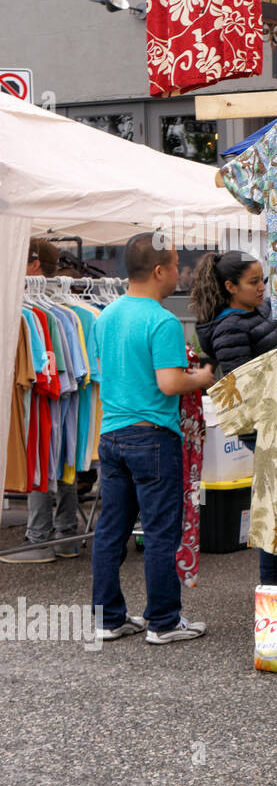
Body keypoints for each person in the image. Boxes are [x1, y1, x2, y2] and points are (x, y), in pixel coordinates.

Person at [91, 233, 214, 643]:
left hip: (111, 435)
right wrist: (204, 376)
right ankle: (163, 621)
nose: (180, 272)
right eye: (177, 264)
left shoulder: (105, 316)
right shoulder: (162, 320)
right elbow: (169, 383)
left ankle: (108, 618)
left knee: (111, 530)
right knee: (161, 532)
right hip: (153, 437)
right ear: (159, 271)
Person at [191, 250, 277, 586]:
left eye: (262, 279)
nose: (262, 287)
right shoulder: (230, 326)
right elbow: (242, 387)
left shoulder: (253, 311)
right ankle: (271, 586)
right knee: (274, 502)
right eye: (253, 282)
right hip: (262, 423)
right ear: (231, 286)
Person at [2, 241, 88, 564]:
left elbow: (44, 378)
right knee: (61, 458)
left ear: (35, 265)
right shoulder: (60, 313)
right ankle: (66, 534)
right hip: (62, 400)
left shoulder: (41, 315)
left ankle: (38, 537)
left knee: (44, 455)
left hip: (40, 401)